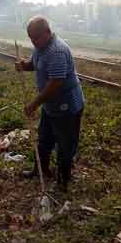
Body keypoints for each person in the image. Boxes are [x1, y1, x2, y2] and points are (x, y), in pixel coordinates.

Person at [16, 16, 84, 192]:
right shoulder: (41, 46)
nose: (33, 41)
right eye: (30, 38)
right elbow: (36, 64)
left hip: (66, 106)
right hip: (50, 106)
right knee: (45, 140)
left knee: (65, 144)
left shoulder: (57, 51)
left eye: (36, 37)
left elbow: (55, 84)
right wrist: (25, 65)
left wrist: (34, 104)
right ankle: (41, 170)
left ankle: (63, 180)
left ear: (47, 32)